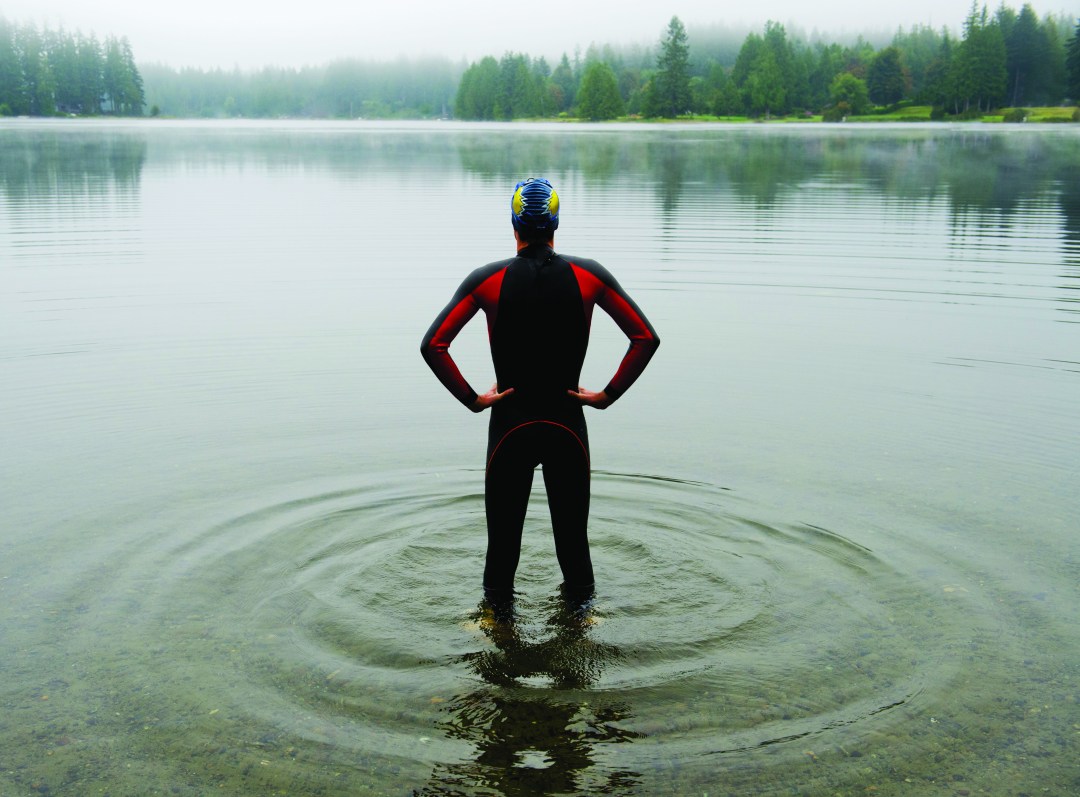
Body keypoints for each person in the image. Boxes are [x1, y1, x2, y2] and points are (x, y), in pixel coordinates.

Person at [420, 177, 659, 616]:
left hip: (510, 425)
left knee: (502, 549)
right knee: (574, 547)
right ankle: (581, 637)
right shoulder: (589, 276)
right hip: (567, 424)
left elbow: (433, 345)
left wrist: (474, 400)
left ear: (514, 224)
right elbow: (644, 338)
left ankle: (496, 633)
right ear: (555, 224)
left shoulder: (486, 280)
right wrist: (606, 395)